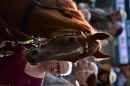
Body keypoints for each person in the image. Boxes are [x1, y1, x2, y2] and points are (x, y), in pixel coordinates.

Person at [0, 41, 72, 86]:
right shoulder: (33, 49)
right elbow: (7, 44)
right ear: (56, 58)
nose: (55, 70)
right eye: (58, 66)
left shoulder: (37, 83)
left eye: (58, 72)